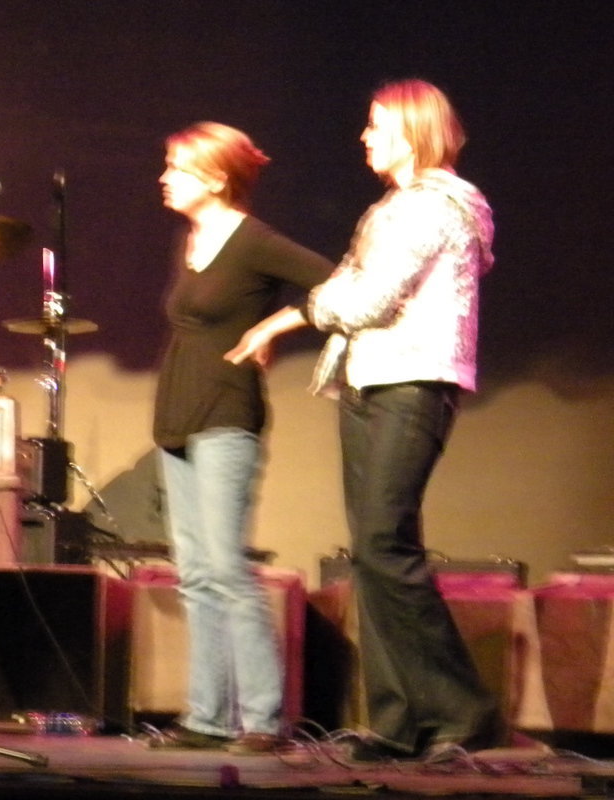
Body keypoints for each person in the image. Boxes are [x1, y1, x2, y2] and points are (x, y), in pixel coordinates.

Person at [230, 79, 502, 761]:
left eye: (376, 125)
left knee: (386, 544)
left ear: (413, 130)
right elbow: (351, 283)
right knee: (374, 553)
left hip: (413, 382)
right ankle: (398, 721)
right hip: (370, 381)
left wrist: (287, 317)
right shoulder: (392, 208)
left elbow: (372, 297)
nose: (364, 136)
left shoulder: (435, 206)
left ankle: (462, 710)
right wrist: (297, 317)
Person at [147, 123, 334, 753]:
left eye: (178, 167)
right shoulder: (191, 241)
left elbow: (333, 282)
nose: (165, 177)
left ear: (217, 177)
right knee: (195, 573)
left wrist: (275, 325)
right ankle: (207, 717)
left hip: (227, 416)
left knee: (227, 568)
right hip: (177, 416)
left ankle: (262, 718)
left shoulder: (254, 242)